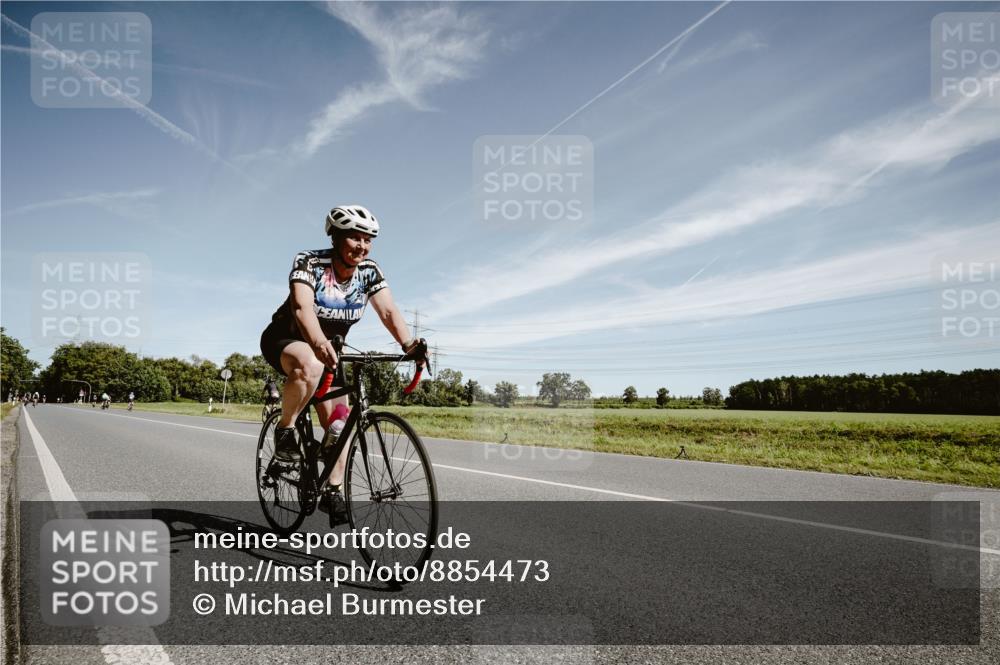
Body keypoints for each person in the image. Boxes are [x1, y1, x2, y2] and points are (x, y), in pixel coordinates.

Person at [259, 204, 427, 518]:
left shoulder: (369, 271)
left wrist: (408, 344)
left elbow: (388, 312)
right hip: (287, 339)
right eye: (353, 238)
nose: (361, 246)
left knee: (340, 422)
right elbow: (301, 308)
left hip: (329, 354)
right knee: (309, 363)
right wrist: (318, 341)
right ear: (335, 237)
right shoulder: (309, 261)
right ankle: (285, 430)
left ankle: (332, 488)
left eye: (367, 239)